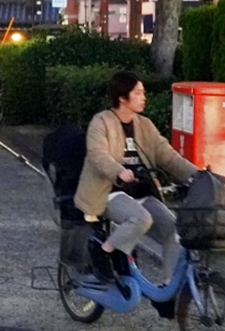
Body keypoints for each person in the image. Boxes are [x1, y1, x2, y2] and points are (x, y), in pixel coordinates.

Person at [74, 71, 198, 287]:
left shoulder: (145, 125)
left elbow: (167, 156)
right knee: (141, 218)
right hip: (108, 192)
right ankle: (103, 252)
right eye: (138, 93)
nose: (144, 97)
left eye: (143, 93)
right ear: (123, 98)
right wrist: (118, 171)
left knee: (173, 228)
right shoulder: (101, 122)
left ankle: (168, 288)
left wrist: (199, 175)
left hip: (140, 192)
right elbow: (97, 154)